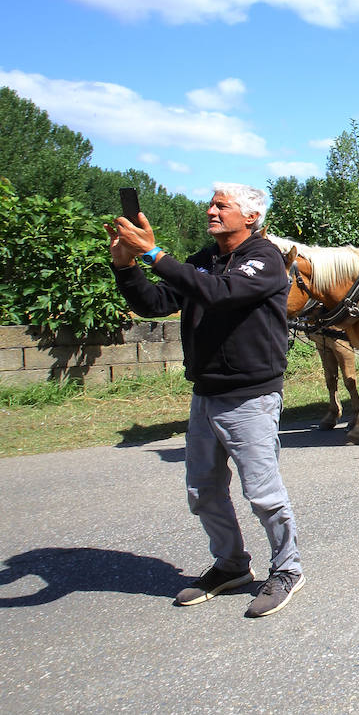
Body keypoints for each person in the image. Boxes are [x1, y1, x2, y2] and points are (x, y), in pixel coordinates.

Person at [105, 183, 303, 618]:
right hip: (206, 393)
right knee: (204, 491)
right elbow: (157, 302)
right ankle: (231, 565)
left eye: (221, 205)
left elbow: (220, 293)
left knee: (262, 493)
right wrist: (127, 266)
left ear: (250, 217)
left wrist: (154, 255)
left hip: (251, 397)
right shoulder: (204, 260)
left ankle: (287, 568)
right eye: (211, 204)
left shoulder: (265, 258)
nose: (211, 210)